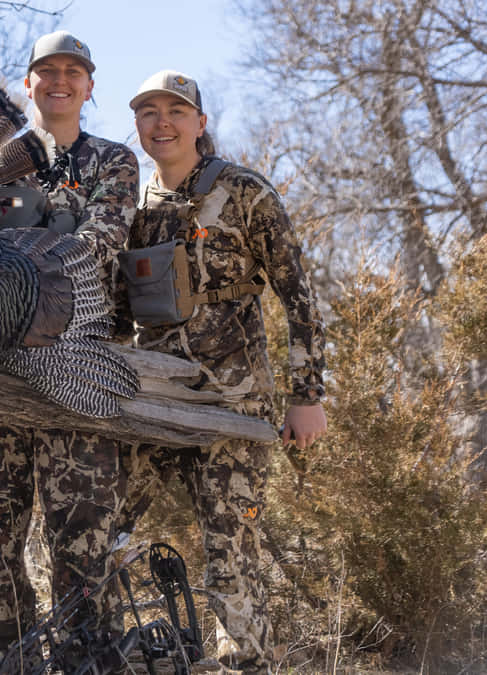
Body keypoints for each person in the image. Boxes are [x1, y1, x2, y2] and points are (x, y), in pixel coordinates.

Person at [117, 70, 327, 674]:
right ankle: (105, 651)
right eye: (149, 111)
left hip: (233, 401)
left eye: (177, 111)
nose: (162, 122)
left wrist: (305, 395)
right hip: (148, 396)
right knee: (101, 525)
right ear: (137, 126)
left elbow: (300, 296)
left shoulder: (244, 192)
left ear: (200, 124)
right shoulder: (131, 205)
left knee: (230, 549)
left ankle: (250, 663)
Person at [0, 30, 139, 666]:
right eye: (47, 71)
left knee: (82, 536)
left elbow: (103, 241)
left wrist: (15, 271)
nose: (60, 81)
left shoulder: (114, 162)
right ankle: (10, 654)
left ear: (89, 86)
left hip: (76, 365)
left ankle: (83, 654)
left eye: (73, 72)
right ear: (28, 82)